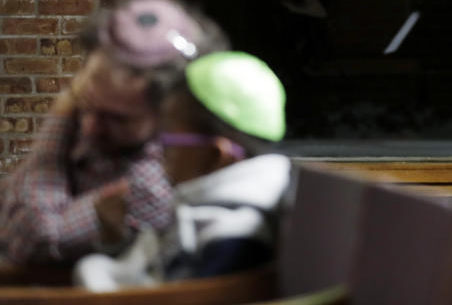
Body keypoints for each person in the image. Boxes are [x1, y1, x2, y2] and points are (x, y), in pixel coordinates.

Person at [0, 0, 227, 267]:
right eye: (83, 105)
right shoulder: (106, 105)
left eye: (117, 120)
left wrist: (60, 118)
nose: (89, 127)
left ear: (172, 114)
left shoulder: (155, 183)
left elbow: (31, 241)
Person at [74, 51, 291, 289]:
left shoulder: (232, 233)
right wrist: (114, 238)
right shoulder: (200, 208)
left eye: (169, 144)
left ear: (217, 157)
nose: (159, 153)